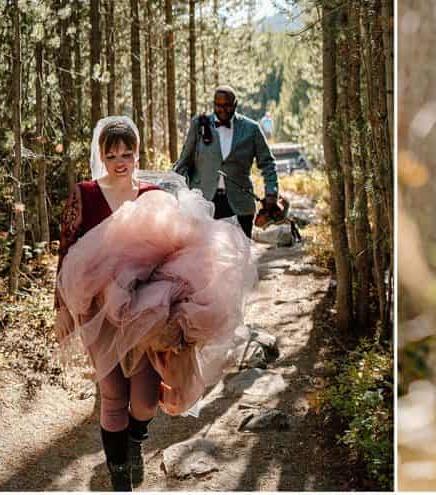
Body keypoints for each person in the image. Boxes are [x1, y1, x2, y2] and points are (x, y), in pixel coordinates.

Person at [56, 116, 256, 491]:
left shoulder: (151, 195)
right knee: (112, 396)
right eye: (112, 153)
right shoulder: (85, 193)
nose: (120, 160)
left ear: (137, 154)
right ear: (101, 154)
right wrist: (63, 309)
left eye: (127, 153)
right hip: (98, 311)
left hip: (146, 315)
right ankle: (121, 482)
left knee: (145, 402)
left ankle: (135, 439)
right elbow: (67, 252)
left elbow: (177, 251)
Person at [174, 85, 278, 238]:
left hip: (240, 204)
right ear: (213, 104)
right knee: (206, 256)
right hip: (204, 203)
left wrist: (271, 193)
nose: (223, 110)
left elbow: (268, 163)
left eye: (228, 106)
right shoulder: (199, 125)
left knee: (240, 256)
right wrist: (177, 193)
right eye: (218, 105)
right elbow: (183, 163)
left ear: (236, 104)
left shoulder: (252, 129)